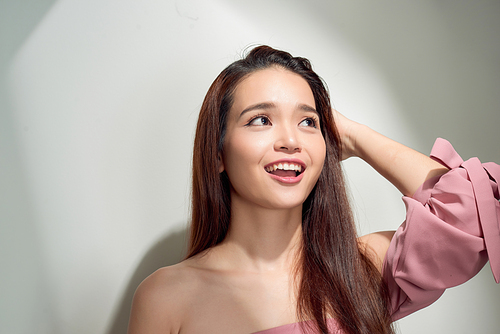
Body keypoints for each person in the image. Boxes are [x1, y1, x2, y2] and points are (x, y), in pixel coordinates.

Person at [127, 46, 500, 334]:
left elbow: (471, 214)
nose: (291, 140)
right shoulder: (166, 297)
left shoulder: (358, 268)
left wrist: (352, 135)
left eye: (308, 121)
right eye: (261, 119)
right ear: (217, 153)